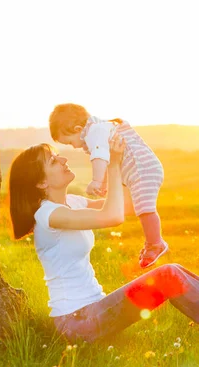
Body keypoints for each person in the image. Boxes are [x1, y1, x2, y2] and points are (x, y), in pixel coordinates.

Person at [8, 136, 199, 343]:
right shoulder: (47, 215)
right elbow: (112, 217)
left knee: (177, 274)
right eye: (52, 160)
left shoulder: (70, 204)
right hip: (76, 323)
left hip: (94, 310)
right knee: (169, 275)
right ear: (41, 181)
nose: (62, 159)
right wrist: (111, 165)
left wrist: (128, 159)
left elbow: (126, 205)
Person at [48, 103, 167, 268]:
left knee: (145, 209)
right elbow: (108, 159)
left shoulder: (96, 131)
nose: (74, 146)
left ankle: (155, 243)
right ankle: (152, 242)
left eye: (70, 142)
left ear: (77, 129)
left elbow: (100, 155)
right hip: (133, 172)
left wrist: (96, 181)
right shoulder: (98, 131)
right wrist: (104, 183)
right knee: (132, 207)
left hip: (142, 169)